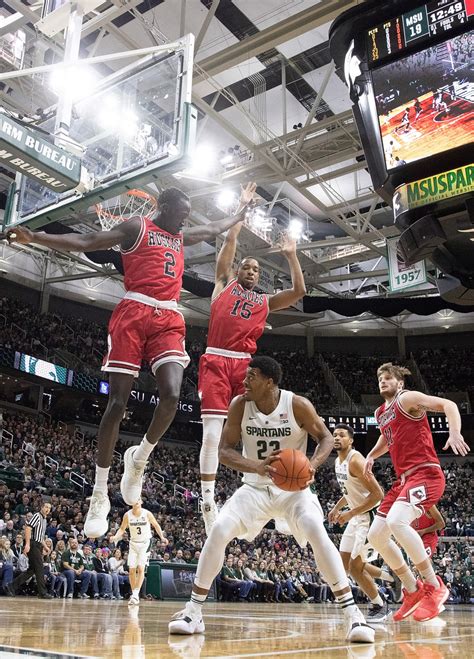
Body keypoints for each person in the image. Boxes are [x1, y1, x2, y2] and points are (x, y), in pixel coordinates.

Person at [8, 183, 257, 538]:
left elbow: (212, 229)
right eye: (181, 214)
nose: (184, 221)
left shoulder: (178, 233)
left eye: (187, 216)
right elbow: (86, 242)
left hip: (168, 317)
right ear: (164, 208)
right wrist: (33, 235)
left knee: (171, 396)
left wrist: (240, 212)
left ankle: (139, 458)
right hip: (134, 310)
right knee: (117, 403)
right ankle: (99, 493)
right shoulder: (136, 228)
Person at [169, 356, 374, 643]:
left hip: (295, 492)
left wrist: (312, 465)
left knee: (317, 531)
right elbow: (224, 451)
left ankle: (353, 616)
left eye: (251, 376)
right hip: (254, 487)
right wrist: (257, 466)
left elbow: (325, 438)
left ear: (270, 382)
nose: (245, 381)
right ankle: (193, 612)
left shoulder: (297, 405)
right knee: (218, 530)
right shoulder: (240, 405)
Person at [198, 222, 306, 532]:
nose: (251, 271)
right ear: (237, 271)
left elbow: (299, 292)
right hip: (217, 359)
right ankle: (207, 500)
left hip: (247, 368)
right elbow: (229, 241)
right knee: (212, 435)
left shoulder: (264, 302)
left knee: (265, 430)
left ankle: (279, 497)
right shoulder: (223, 285)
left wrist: (291, 255)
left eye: (257, 270)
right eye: (246, 267)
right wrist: (238, 219)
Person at [365, 363, 469, 623]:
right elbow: (387, 439)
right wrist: (371, 455)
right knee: (376, 536)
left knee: (397, 521)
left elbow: (449, 405)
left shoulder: (408, 398)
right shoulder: (381, 412)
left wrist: (454, 432)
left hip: (426, 473)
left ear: (399, 383)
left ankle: (434, 586)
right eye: (380, 379)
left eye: (388, 378)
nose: (382, 382)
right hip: (404, 480)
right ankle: (412, 590)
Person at [329, 423, 391, 622]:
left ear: (351, 440)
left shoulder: (356, 461)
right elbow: (351, 492)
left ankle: (380, 605)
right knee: (344, 564)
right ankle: (387, 577)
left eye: (341, 435)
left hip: (369, 517)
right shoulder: (338, 461)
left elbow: (378, 495)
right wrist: (338, 507)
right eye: (334, 435)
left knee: (356, 567)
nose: (337, 438)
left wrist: (349, 514)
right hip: (356, 516)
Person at [111, 498, 167, 605]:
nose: (136, 501)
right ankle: (134, 593)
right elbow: (122, 529)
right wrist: (115, 537)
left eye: (138, 499)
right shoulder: (127, 515)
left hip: (145, 543)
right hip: (133, 543)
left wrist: (162, 537)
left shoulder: (147, 513)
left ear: (141, 502)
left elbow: (156, 525)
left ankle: (135, 594)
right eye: (134, 499)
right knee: (132, 570)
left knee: (141, 568)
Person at [7, 501, 53, 599]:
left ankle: (11, 586)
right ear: (41, 507)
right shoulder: (37, 516)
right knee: (40, 567)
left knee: (32, 570)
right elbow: (28, 528)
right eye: (46, 507)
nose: (47, 509)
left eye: (49, 508)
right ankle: (42, 593)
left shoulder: (44, 519)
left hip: (37, 544)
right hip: (32, 544)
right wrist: (27, 544)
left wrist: (45, 546)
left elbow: (40, 536)